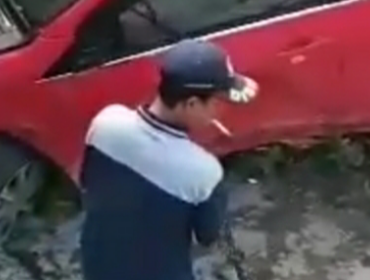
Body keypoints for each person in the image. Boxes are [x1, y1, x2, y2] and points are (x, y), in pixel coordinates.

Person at [79, 39, 259, 280]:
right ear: (192, 103)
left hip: (97, 265)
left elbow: (87, 181)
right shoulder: (204, 173)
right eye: (218, 102)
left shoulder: (106, 122)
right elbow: (207, 235)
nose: (221, 111)